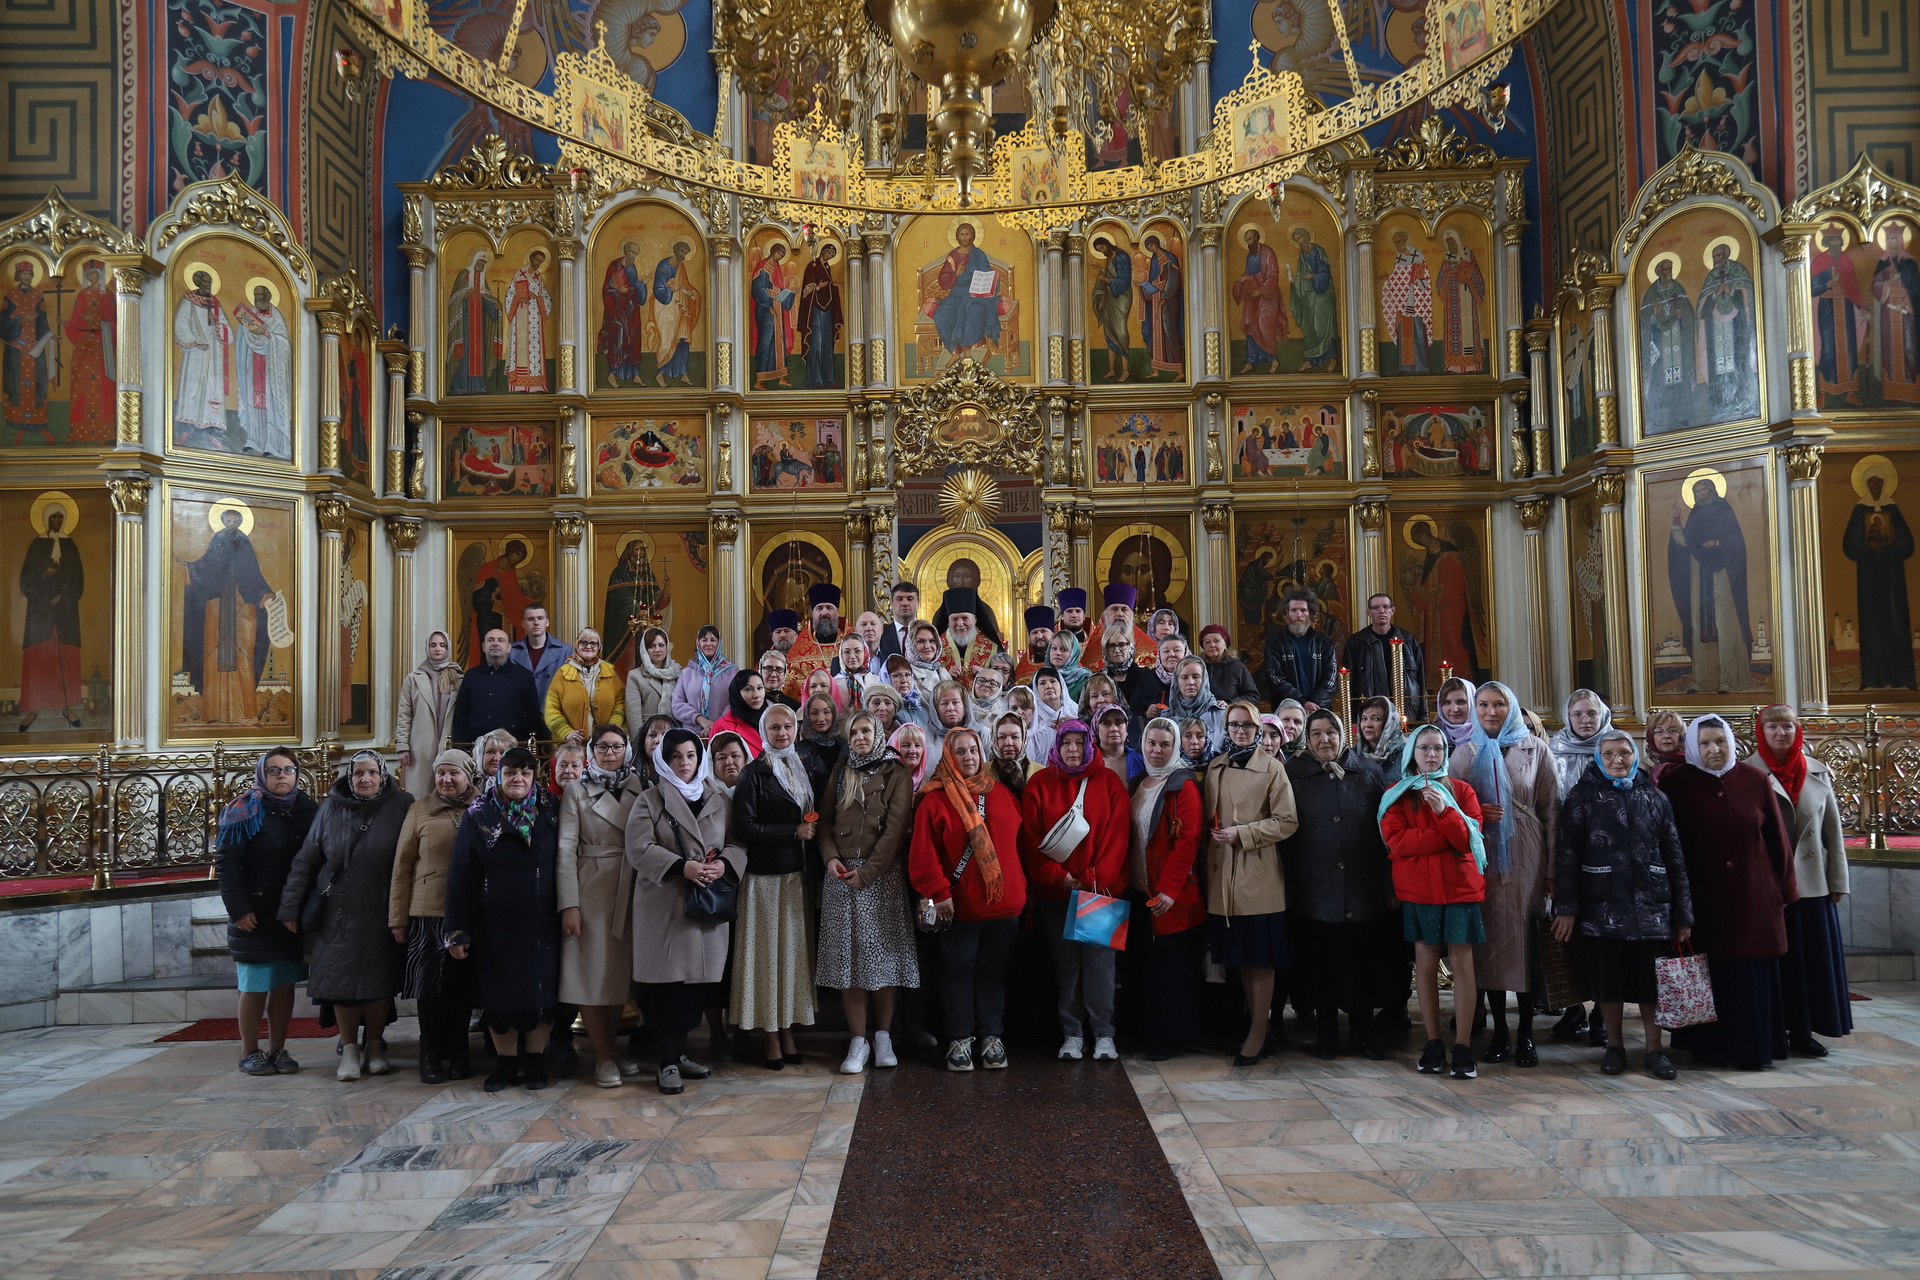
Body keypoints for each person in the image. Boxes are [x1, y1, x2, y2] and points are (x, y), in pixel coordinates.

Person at [1658, 714, 1796, 1071]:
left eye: (1720, 741)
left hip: (1755, 896)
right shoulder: (1676, 783)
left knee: (1750, 974)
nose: (1714, 749)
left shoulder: (1755, 780)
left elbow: (1778, 841)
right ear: (1692, 746)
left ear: (1732, 742)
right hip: (1703, 899)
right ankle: (1711, 1048)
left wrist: (1784, 890)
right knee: (1713, 969)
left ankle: (1755, 1048)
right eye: (1704, 743)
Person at [1552, 729, 1692, 1079]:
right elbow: (1567, 855)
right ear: (1598, 757)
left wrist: (1682, 913)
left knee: (1650, 984)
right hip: (1602, 905)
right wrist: (1566, 908)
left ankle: (1653, 1049)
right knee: (1607, 984)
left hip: (1651, 906)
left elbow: (1675, 856)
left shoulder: (1655, 797)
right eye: (1610, 753)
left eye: (1624, 753)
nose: (1617, 760)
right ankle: (1614, 1046)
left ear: (1635, 755)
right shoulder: (1582, 796)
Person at [279, 751, 412, 1082]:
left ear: (383, 775)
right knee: (342, 984)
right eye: (358, 774)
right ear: (349, 778)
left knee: (379, 983)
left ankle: (376, 1046)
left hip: (383, 908)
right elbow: (306, 860)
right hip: (336, 910)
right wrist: (290, 906)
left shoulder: (403, 805)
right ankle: (350, 1048)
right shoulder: (330, 807)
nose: (365, 779)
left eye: (371, 773)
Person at [1448, 680, 1557, 1067]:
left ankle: (1526, 1034)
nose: (1490, 712)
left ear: (1510, 707)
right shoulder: (1465, 752)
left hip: (1528, 855)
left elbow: (1551, 810)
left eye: (1498, 704)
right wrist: (1476, 812)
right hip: (1484, 858)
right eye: (1483, 705)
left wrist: (1553, 870)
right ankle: (1499, 1032)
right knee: (1491, 946)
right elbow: (1450, 805)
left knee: (1526, 945)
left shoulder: (1536, 748)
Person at [908, 727, 1028, 1072]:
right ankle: (960, 1038)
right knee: (958, 972)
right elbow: (923, 855)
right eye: (960, 752)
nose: (969, 757)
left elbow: (1018, 848)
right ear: (948, 756)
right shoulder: (934, 799)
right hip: (958, 908)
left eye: (973, 750)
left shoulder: (1003, 794)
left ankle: (992, 1035)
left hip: (1005, 907)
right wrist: (939, 893)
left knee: (995, 973)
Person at [627, 729, 739, 1095]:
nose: (685, 763)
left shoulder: (718, 798)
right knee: (667, 989)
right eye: (676, 757)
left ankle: (681, 1051)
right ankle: (667, 1061)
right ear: (664, 760)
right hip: (666, 905)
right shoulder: (649, 799)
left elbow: (736, 842)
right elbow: (638, 849)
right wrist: (681, 867)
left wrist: (724, 864)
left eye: (691, 756)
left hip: (704, 902)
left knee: (695, 988)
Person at [445, 747, 563, 1092]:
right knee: (500, 995)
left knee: (542, 992)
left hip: (543, 922)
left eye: (526, 773)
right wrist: (457, 931)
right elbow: (460, 874)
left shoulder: (551, 809)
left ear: (534, 776)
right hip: (495, 924)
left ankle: (535, 1060)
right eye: (511, 772)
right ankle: (506, 1063)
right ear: (499, 775)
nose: (518, 779)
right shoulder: (479, 814)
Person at [1285, 709, 1394, 1060]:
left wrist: (1388, 884)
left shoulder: (1369, 772)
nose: (1324, 739)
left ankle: (1362, 1034)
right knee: (1323, 965)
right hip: (1316, 888)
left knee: (1362, 964)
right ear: (1308, 738)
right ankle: (1327, 1034)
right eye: (1316, 734)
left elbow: (1385, 831)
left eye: (1330, 732)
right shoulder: (1296, 775)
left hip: (1363, 886)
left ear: (1342, 733)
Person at [1381, 724, 1486, 1080]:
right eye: (1424, 748)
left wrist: (1444, 811)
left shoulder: (1462, 791)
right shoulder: (1397, 794)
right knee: (1424, 966)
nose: (1432, 754)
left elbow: (1465, 840)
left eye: (1438, 748)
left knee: (1463, 966)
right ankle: (1433, 1041)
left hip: (1459, 889)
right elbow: (1398, 844)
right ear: (1412, 752)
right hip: (1420, 891)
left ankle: (1463, 1046)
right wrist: (1442, 834)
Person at [1021, 718, 1130, 1061]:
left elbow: (1118, 838)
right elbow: (1030, 840)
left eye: (1078, 743)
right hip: (1058, 893)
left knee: (1100, 967)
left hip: (1101, 889)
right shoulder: (1039, 784)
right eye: (1066, 743)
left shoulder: (1109, 782)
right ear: (1057, 746)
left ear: (1089, 745)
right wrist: (1056, 877)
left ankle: (1103, 1034)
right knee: (1066, 966)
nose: (1072, 749)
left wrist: (1093, 877)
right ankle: (1072, 1032)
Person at [817, 711, 919, 1073]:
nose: (860, 737)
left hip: (881, 876)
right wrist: (830, 858)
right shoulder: (842, 770)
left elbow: (895, 831)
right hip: (842, 875)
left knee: (882, 960)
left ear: (879, 734)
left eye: (867, 731)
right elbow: (825, 819)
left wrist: (870, 872)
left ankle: (883, 1036)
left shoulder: (897, 773)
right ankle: (857, 1040)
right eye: (854, 731)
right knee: (849, 963)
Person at [1750, 704, 1853, 1056]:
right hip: (1769, 886)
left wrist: (1838, 880)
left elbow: (1833, 834)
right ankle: (1776, 1028)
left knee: (1810, 962)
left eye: (1788, 727)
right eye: (1773, 727)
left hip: (1812, 884)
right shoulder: (1747, 772)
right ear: (1760, 732)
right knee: (1776, 964)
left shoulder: (1817, 772)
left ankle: (1805, 1030)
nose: (1781, 733)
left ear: (1798, 731)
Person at [1204, 701, 1302, 1064]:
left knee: (1261, 960)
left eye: (1247, 725)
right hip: (1223, 877)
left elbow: (1287, 821)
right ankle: (1255, 1025)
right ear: (1226, 729)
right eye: (1234, 725)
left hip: (1257, 874)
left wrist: (1243, 833)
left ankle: (1259, 1031)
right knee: (1241, 959)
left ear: (1258, 729)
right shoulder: (1217, 766)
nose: (1240, 731)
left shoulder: (1273, 769)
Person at [728, 704, 819, 1067]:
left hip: (797, 875)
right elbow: (745, 828)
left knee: (791, 959)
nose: (783, 734)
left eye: (788, 727)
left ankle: (787, 1031)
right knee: (765, 959)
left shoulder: (804, 764)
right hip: (763, 879)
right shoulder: (753, 774)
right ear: (764, 732)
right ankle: (769, 1036)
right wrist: (791, 832)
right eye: (775, 728)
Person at [557, 723, 648, 1087]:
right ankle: (603, 1057)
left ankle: (611, 1048)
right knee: (593, 976)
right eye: (603, 747)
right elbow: (564, 851)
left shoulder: (638, 786)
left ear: (626, 750)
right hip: (591, 889)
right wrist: (569, 905)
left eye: (616, 746)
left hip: (631, 888)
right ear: (591, 751)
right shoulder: (576, 791)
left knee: (617, 979)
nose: (610, 753)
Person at [218, 749, 319, 1076]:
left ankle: (278, 1049)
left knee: (284, 983)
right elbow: (227, 864)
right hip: (256, 914)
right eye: (274, 770)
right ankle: (249, 1051)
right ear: (262, 774)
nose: (281, 776)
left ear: (297, 774)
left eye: (288, 770)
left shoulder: (308, 809)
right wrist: (238, 909)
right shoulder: (244, 810)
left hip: (291, 913)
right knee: (255, 984)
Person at [388, 747, 480, 1083]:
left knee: (461, 989)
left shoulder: (482, 807)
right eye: (441, 773)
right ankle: (429, 1053)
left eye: (453, 772)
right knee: (429, 988)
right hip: (427, 912)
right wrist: (398, 919)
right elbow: (402, 867)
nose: (446, 779)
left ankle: (458, 1051)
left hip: (469, 914)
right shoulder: (420, 810)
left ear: (468, 775)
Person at [1122, 718, 1206, 1060]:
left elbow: (1188, 842)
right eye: (1152, 744)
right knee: (1145, 967)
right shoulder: (1137, 782)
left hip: (1172, 896)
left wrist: (1169, 890)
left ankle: (1172, 1036)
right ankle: (1146, 1031)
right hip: (1139, 891)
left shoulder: (1183, 784)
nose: (1157, 751)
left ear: (1175, 748)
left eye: (1164, 745)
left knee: (1173, 970)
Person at [396, 630, 463, 799]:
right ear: (427, 648)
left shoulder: (458, 676)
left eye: (442, 645)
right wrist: (402, 746)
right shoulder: (413, 678)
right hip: (420, 744)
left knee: (448, 788)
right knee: (420, 792)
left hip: (449, 740)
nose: (438, 649)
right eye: (433, 645)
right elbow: (404, 714)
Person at [451, 628, 544, 747]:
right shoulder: (471, 675)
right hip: (476, 747)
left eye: (501, 640)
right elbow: (461, 714)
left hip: (513, 747)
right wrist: (461, 746)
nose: (495, 643)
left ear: (509, 647)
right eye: (491, 640)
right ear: (484, 647)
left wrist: (526, 747)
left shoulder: (524, 676)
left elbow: (533, 716)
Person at [1340, 594, 1427, 719]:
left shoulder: (1408, 640)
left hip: (1406, 712)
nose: (1381, 611)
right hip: (1371, 713)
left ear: (1393, 611)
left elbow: (1420, 679)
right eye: (1376, 608)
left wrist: (1422, 715)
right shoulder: (1357, 642)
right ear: (1369, 612)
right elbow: (1350, 685)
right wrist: (1352, 718)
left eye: (1386, 607)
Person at [546, 629, 623, 746]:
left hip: (605, 745)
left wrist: (612, 726)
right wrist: (566, 732)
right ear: (577, 645)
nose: (588, 646)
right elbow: (551, 709)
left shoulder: (609, 671)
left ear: (599, 647)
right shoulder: (563, 673)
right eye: (584, 643)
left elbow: (620, 702)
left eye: (593, 643)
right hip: (571, 747)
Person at [1263, 590, 1338, 710]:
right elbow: (1275, 678)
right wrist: (1301, 703)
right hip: (1287, 711)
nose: (1299, 615)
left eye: (1303, 610)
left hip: (1319, 710)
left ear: (1310, 613)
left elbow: (1330, 679)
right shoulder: (1274, 642)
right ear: (1287, 613)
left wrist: (1314, 705)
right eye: (1294, 610)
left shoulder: (1324, 643)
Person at [1547, 690, 1614, 799]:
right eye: (1577, 714)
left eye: (1592, 713)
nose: (1586, 720)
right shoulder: (1555, 748)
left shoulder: (1616, 745)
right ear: (1568, 716)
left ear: (1602, 714)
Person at [673, 626, 738, 736]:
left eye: (713, 640)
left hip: (724, 732)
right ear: (698, 643)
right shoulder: (687, 672)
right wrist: (700, 720)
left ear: (719, 643)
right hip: (692, 736)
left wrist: (717, 725)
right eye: (704, 640)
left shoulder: (732, 671)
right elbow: (677, 704)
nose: (708, 644)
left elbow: (736, 701)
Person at [510, 604, 574, 704]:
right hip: (520, 713)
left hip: (551, 713)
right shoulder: (512, 651)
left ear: (547, 622)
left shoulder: (565, 651)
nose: (536, 623)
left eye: (540, 618)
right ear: (523, 624)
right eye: (531, 619)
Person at [1164, 656, 1225, 754]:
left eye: (1196, 677)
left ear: (1204, 680)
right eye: (1184, 677)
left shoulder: (1221, 715)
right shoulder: (1166, 718)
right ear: (1177, 681)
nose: (1190, 682)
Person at [624, 627, 681, 730]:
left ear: (667, 647)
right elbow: (633, 714)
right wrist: (639, 740)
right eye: (652, 646)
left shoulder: (678, 672)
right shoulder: (635, 676)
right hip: (648, 733)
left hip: (674, 732)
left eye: (661, 645)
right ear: (645, 649)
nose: (657, 650)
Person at [711, 669, 770, 755]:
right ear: (737, 693)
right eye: (748, 690)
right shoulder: (722, 727)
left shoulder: (772, 720)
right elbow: (715, 763)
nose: (756, 695)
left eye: (759, 688)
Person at [1198, 625, 1260, 706]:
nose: (1212, 645)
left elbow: (1253, 696)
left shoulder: (1237, 666)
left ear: (1225, 644)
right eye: (1207, 642)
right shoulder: (1198, 667)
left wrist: (1230, 703)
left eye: (1217, 641)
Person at [872, 581, 920, 664]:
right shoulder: (881, 634)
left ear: (918, 603)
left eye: (910, 599)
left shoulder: (929, 633)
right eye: (899, 599)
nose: (905, 603)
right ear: (892, 603)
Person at [1355, 696, 1407, 768]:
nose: (1367, 725)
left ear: (1389, 723)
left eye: (1376, 719)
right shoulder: (1353, 754)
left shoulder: (1405, 753)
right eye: (1364, 719)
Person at [1093, 705, 1140, 784]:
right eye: (1106, 724)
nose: (1114, 729)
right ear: (1096, 729)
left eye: (1119, 723)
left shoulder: (1141, 761)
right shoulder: (1087, 762)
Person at [1644, 709, 1687, 781]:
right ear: (1651, 737)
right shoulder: (1643, 769)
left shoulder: (1692, 762)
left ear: (1682, 735)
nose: (1666, 736)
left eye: (1672, 730)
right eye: (1659, 731)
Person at [1435, 676, 1477, 748]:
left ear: (1472, 703)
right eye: (1447, 702)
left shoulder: (1488, 737)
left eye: (1461, 702)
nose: (1454, 709)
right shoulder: (1434, 735)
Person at [889, 723, 930, 787]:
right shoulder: (883, 782)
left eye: (917, 745)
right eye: (906, 745)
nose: (913, 751)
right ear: (894, 748)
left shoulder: (929, 785)